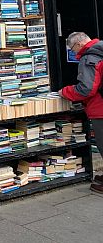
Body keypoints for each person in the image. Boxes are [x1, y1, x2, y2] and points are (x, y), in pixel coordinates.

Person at [58, 31, 103, 194]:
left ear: (78, 44)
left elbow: (86, 89)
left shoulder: (89, 57)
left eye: (72, 49)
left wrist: (65, 92)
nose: (73, 53)